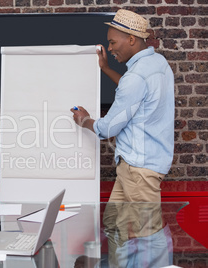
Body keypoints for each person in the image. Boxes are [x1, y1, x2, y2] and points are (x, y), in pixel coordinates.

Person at [71, 9, 174, 203]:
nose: (110, 48)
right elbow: (137, 92)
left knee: (148, 231)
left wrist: (85, 121)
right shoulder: (158, 63)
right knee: (113, 226)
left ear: (132, 39)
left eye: (113, 42)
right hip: (140, 167)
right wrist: (107, 69)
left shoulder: (135, 77)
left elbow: (110, 127)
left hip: (138, 171)